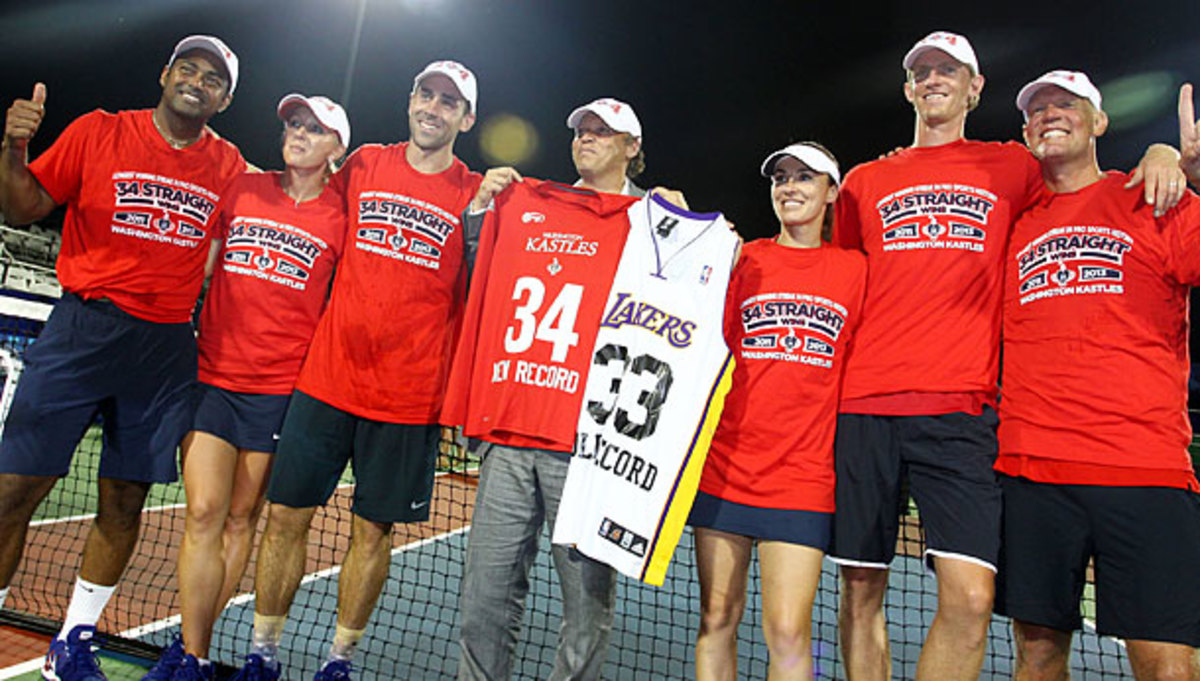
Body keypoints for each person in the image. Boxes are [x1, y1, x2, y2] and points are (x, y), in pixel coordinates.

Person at [829, 31, 1185, 681]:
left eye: (949, 70)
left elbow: (1109, 188)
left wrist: (1169, 157)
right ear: (909, 88)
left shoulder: (1044, 176)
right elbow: (846, 281)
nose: (933, 79)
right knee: (882, 600)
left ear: (975, 88)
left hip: (1007, 427)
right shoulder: (875, 182)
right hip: (923, 427)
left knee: (982, 602)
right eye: (922, 71)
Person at [224, 61, 481, 681]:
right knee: (284, 516)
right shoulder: (363, 164)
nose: (434, 107)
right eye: (426, 93)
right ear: (410, 98)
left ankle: (339, 661)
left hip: (410, 396)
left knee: (373, 531)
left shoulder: (476, 194)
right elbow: (303, 195)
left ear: (466, 119)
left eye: (449, 102)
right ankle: (263, 650)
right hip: (327, 381)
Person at [0, 35, 243, 681]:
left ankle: (71, 642)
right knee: (13, 489)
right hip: (82, 328)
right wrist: (13, 148)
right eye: (187, 67)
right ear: (164, 75)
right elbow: (24, 207)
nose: (197, 80)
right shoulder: (99, 130)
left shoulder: (230, 167)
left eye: (213, 78)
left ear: (224, 99)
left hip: (162, 347)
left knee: (124, 502)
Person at [995, 70, 1200, 681]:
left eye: (1068, 105)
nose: (1051, 114)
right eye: (1038, 109)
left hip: (1144, 467)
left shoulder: (1154, 196)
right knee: (1035, 655)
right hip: (1033, 469)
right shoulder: (1014, 222)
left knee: (1166, 663)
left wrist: (1189, 170)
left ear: (1099, 123)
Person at [140, 94, 349, 681]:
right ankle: (194, 651)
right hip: (211, 377)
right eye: (295, 123)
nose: (299, 133)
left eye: (316, 129)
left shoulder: (342, 215)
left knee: (240, 518)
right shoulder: (244, 189)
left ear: (338, 148)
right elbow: (200, 263)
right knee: (203, 512)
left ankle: (192, 656)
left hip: (279, 389)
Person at [450, 97, 647, 681]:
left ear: (631, 148)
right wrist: (483, 210)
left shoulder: (653, 223)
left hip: (590, 445)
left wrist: (696, 232)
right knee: (484, 593)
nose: (588, 138)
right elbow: (477, 266)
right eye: (582, 130)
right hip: (510, 428)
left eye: (604, 132)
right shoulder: (526, 206)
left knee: (586, 604)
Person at [689, 142, 866, 680]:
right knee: (717, 616)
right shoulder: (744, 260)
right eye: (781, 178)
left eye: (805, 178)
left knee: (788, 630)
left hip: (802, 479)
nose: (790, 188)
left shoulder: (856, 271)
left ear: (832, 192)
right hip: (724, 471)